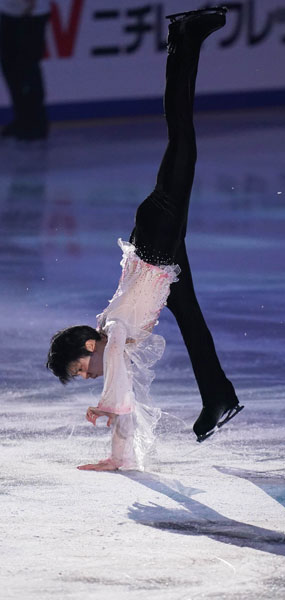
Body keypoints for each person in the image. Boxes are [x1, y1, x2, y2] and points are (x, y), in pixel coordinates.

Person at [45, 6, 242, 472]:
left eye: (79, 370)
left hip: (156, 240)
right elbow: (123, 392)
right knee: (191, 322)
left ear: (88, 347)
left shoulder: (112, 334)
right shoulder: (114, 341)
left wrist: (108, 407)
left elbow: (115, 372)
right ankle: (219, 396)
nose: (85, 377)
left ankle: (182, 37)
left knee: (182, 135)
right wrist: (118, 456)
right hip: (159, 262)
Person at [0, 0, 51, 141]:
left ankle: (37, 123)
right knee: (10, 67)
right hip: (8, 10)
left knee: (28, 68)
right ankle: (22, 119)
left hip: (31, 13)